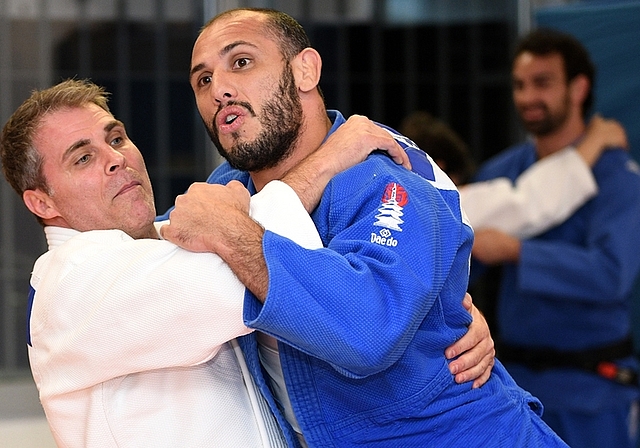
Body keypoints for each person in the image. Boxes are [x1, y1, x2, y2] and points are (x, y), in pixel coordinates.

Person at [161, 8, 568, 447]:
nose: (219, 89)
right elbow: (147, 269)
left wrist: (234, 236)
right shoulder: (226, 190)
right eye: (202, 80)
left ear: (306, 70)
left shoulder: (387, 175)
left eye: (241, 62)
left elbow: (369, 326)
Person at [0, 79, 416, 447]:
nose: (116, 159)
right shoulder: (70, 285)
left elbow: (292, 269)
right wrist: (332, 157)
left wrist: (441, 313)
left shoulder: (163, 240)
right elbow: (249, 266)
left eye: (116, 138)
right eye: (83, 158)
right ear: (42, 202)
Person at [470, 28, 640, 448]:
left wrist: (517, 252)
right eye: (520, 85)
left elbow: (610, 273)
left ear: (578, 88)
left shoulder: (618, 178)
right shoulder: (500, 173)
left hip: (591, 391)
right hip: (513, 387)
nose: (527, 97)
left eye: (542, 83)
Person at [401, 110, 629, 239]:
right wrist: (595, 141)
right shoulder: (439, 204)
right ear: (438, 168)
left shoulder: (379, 191)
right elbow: (528, 203)